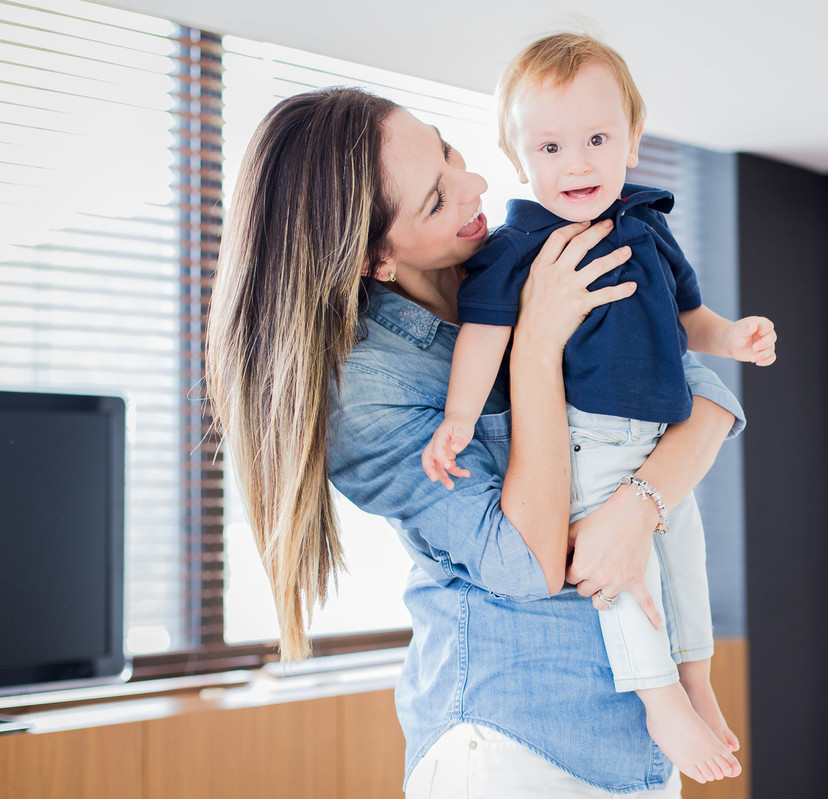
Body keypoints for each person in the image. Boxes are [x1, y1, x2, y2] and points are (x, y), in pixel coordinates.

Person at [205, 86, 748, 796]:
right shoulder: (367, 394)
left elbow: (702, 399)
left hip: (637, 741)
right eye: (435, 199)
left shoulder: (523, 255)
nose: (477, 183)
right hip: (512, 739)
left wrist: (636, 509)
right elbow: (528, 560)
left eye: (447, 150)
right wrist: (536, 349)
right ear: (375, 260)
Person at [423, 34, 775, 785]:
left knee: (686, 558)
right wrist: (457, 417)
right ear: (519, 158)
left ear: (633, 141)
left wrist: (732, 338)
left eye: (595, 138)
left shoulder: (647, 224)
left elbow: (690, 318)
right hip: (586, 436)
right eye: (549, 146)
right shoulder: (517, 243)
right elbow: (484, 336)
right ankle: (656, 698)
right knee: (625, 567)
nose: (576, 163)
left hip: (659, 433)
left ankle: (695, 683)